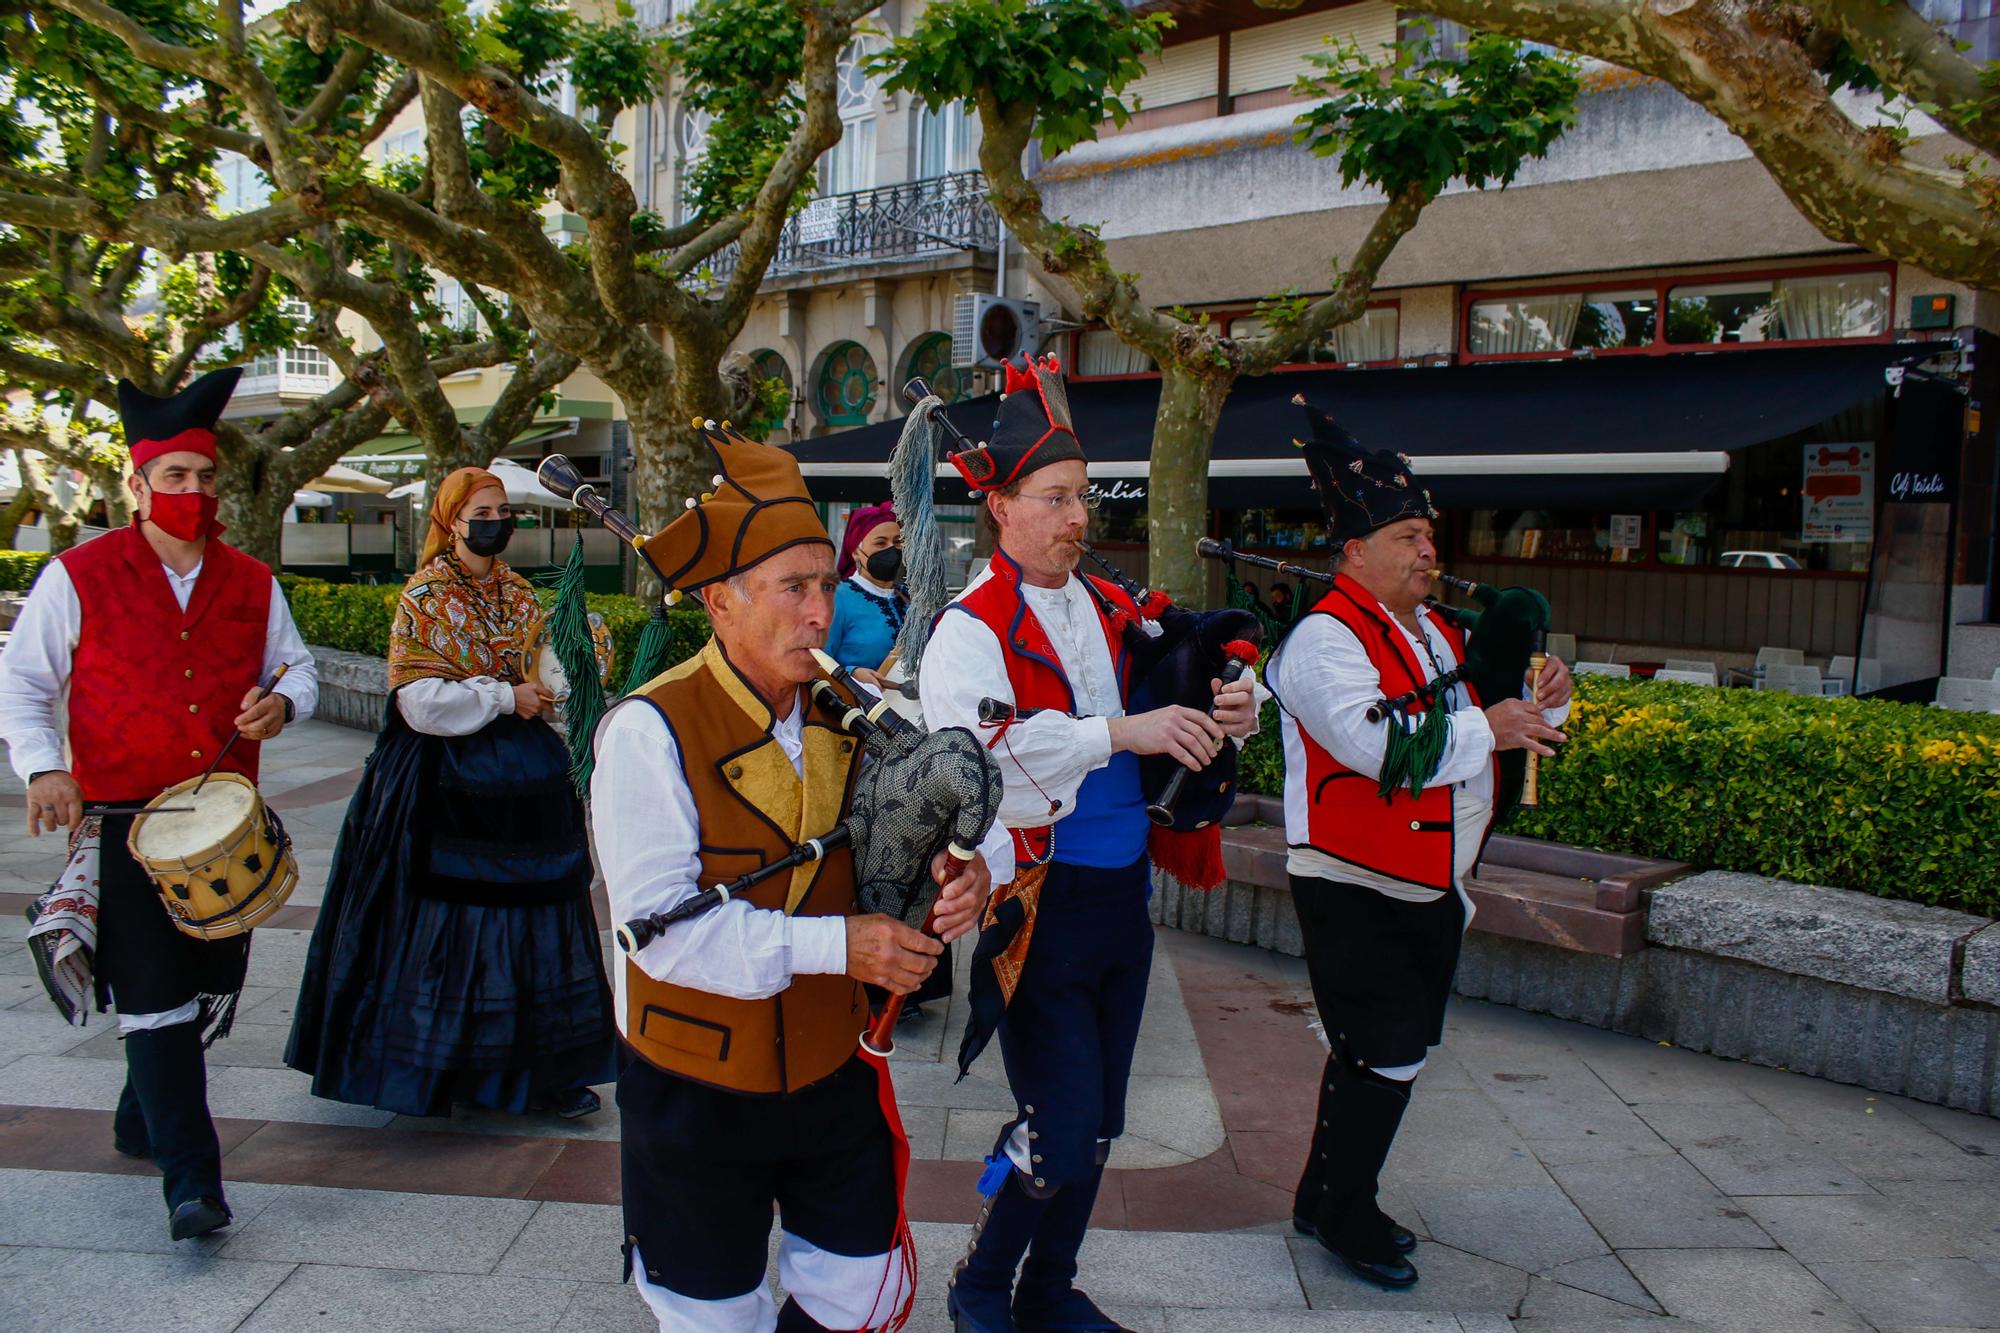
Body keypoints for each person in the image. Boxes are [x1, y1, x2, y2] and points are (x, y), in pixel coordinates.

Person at [590, 422, 996, 1333]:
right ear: (721, 601)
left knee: (857, 1287)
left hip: (831, 1066)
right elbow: (663, 931)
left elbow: (914, 838)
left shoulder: (850, 713)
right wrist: (844, 943)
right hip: (696, 1081)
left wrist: (962, 880)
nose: (820, 613)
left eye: (823, 585)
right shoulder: (647, 732)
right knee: (713, 1311)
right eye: (794, 588)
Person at [919, 355, 1259, 1333]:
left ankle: (1046, 1287)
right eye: (1056, 498)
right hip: (1036, 904)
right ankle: (981, 1279)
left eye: (1083, 497)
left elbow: (1187, 665)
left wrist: (1232, 701)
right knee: (1054, 1130)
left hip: (1120, 902)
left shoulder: (1110, 604)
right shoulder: (965, 631)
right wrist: (1120, 731)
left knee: (1098, 1123)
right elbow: (979, 754)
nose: (1077, 516)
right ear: (1001, 508)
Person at [0, 368, 319, 1241]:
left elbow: (301, 670)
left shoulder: (253, 580)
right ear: (136, 485)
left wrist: (282, 704)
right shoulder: (78, 573)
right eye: (174, 477)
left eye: (205, 476)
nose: (193, 492)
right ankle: (194, 1183)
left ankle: (141, 1113)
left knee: (203, 984)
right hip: (121, 819)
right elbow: (22, 683)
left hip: (222, 815)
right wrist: (41, 769)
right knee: (152, 992)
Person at [1262, 403, 1571, 1289]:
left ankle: (1323, 1195)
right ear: (1354, 552)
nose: (1429, 551)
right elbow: (1376, 747)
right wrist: (1490, 722)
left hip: (1429, 878)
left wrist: (1546, 695)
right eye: (1408, 535)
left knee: (1372, 1048)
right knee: (1387, 1050)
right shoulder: (1324, 638)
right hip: (1354, 879)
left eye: (1429, 534)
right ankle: (1346, 1212)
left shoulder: (1433, 631)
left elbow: (1490, 719)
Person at [285, 467, 617, 1120]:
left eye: (502, 508)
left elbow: (542, 671)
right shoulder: (427, 594)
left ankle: (541, 1070)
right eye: (482, 509)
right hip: (444, 780)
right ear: (451, 521)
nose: (497, 519)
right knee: (453, 923)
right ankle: (441, 1068)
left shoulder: (522, 593)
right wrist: (501, 696)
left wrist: (561, 683)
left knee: (534, 926)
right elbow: (417, 701)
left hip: (526, 784)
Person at [824, 501, 906, 681]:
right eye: (880, 543)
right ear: (855, 551)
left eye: (897, 542)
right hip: (860, 705)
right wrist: (852, 673)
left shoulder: (911, 598)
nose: (891, 550)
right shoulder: (836, 598)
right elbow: (818, 663)